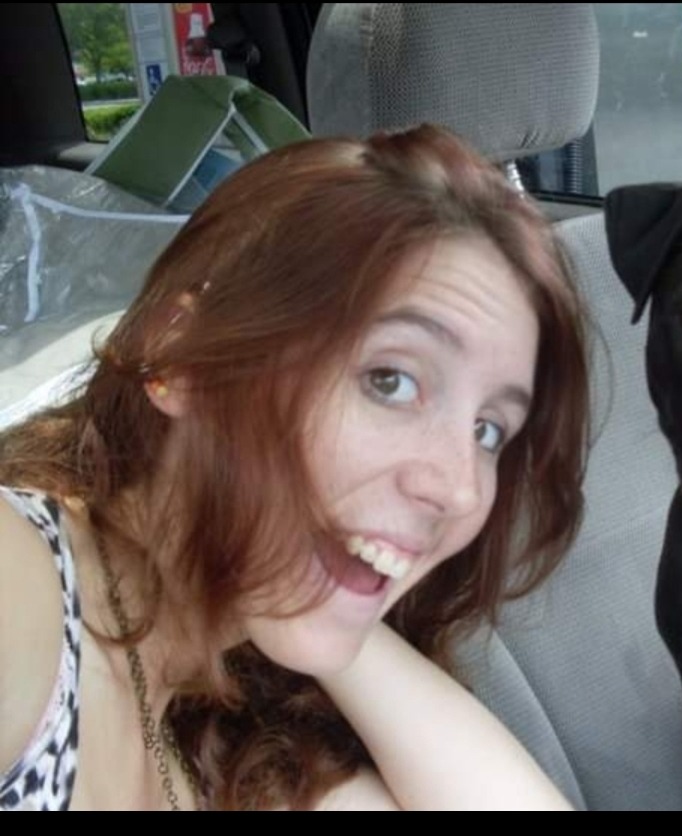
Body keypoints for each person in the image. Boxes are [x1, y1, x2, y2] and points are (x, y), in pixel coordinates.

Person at [0, 124, 589, 810]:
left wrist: (338, 595)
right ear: (182, 357)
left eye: (488, 430)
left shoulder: (234, 719)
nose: (459, 489)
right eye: (390, 381)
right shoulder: (27, 588)